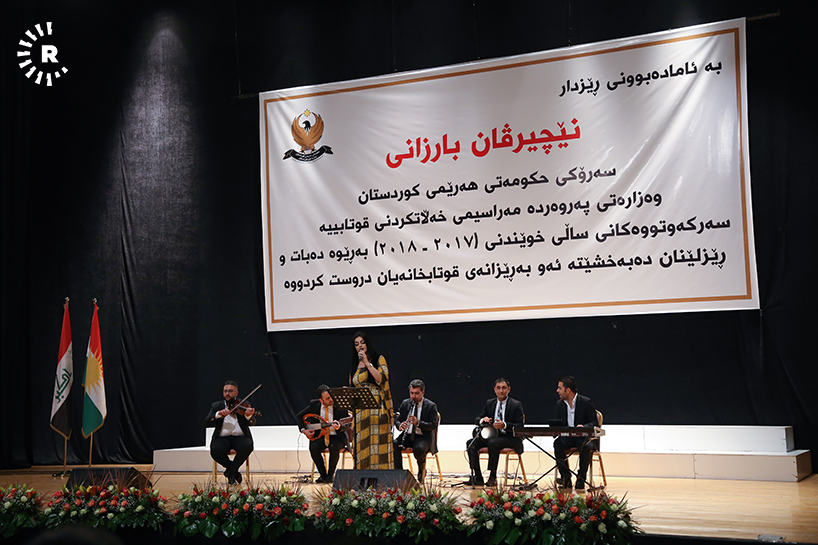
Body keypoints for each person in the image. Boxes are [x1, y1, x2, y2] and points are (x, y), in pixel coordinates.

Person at [466, 377, 525, 487]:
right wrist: (482, 420)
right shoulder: (490, 403)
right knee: (471, 443)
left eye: (504, 388)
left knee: (493, 443)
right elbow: (477, 418)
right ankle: (478, 476)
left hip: (509, 437)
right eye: (498, 388)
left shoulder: (516, 405)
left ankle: (492, 476)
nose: (501, 391)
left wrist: (505, 425)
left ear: (509, 389)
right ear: (494, 390)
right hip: (492, 436)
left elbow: (520, 426)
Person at [350, 331, 394, 469]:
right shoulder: (354, 365)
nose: (360, 346)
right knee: (362, 446)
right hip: (360, 412)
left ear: (367, 343)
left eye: (362, 343)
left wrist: (367, 362)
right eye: (356, 344)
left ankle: (381, 477)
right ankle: (363, 478)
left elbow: (382, 379)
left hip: (377, 408)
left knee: (377, 445)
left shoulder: (378, 359)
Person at [296, 384, 351, 483]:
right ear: (321, 400)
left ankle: (330, 475)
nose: (331, 400)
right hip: (320, 436)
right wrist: (304, 430)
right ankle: (323, 475)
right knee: (313, 448)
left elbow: (348, 424)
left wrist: (340, 427)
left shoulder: (340, 405)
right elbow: (299, 416)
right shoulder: (314, 405)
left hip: (337, 436)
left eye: (331, 396)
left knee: (334, 447)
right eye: (327, 398)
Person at [204, 380, 256, 484]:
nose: (227, 393)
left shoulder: (243, 404)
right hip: (222, 438)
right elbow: (207, 422)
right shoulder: (216, 406)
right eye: (225, 391)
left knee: (248, 445)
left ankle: (230, 472)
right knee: (215, 450)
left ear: (236, 393)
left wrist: (248, 416)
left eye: (230, 391)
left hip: (240, 438)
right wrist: (218, 414)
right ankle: (234, 472)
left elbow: (252, 422)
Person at [553, 375, 599, 491]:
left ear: (568, 390)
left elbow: (594, 422)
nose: (557, 391)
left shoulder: (586, 402)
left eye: (560, 388)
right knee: (558, 443)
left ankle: (581, 478)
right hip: (567, 437)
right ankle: (566, 478)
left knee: (586, 446)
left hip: (582, 437)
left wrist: (583, 427)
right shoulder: (560, 404)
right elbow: (558, 422)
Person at [394, 379, 439, 482]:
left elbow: (433, 425)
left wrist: (418, 423)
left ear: (423, 393)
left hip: (423, 436)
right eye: (412, 393)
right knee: (394, 445)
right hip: (408, 435)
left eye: (417, 393)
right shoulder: (406, 403)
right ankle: (399, 473)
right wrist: (400, 425)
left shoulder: (431, 406)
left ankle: (421, 471)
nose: (414, 396)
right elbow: (397, 419)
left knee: (419, 449)